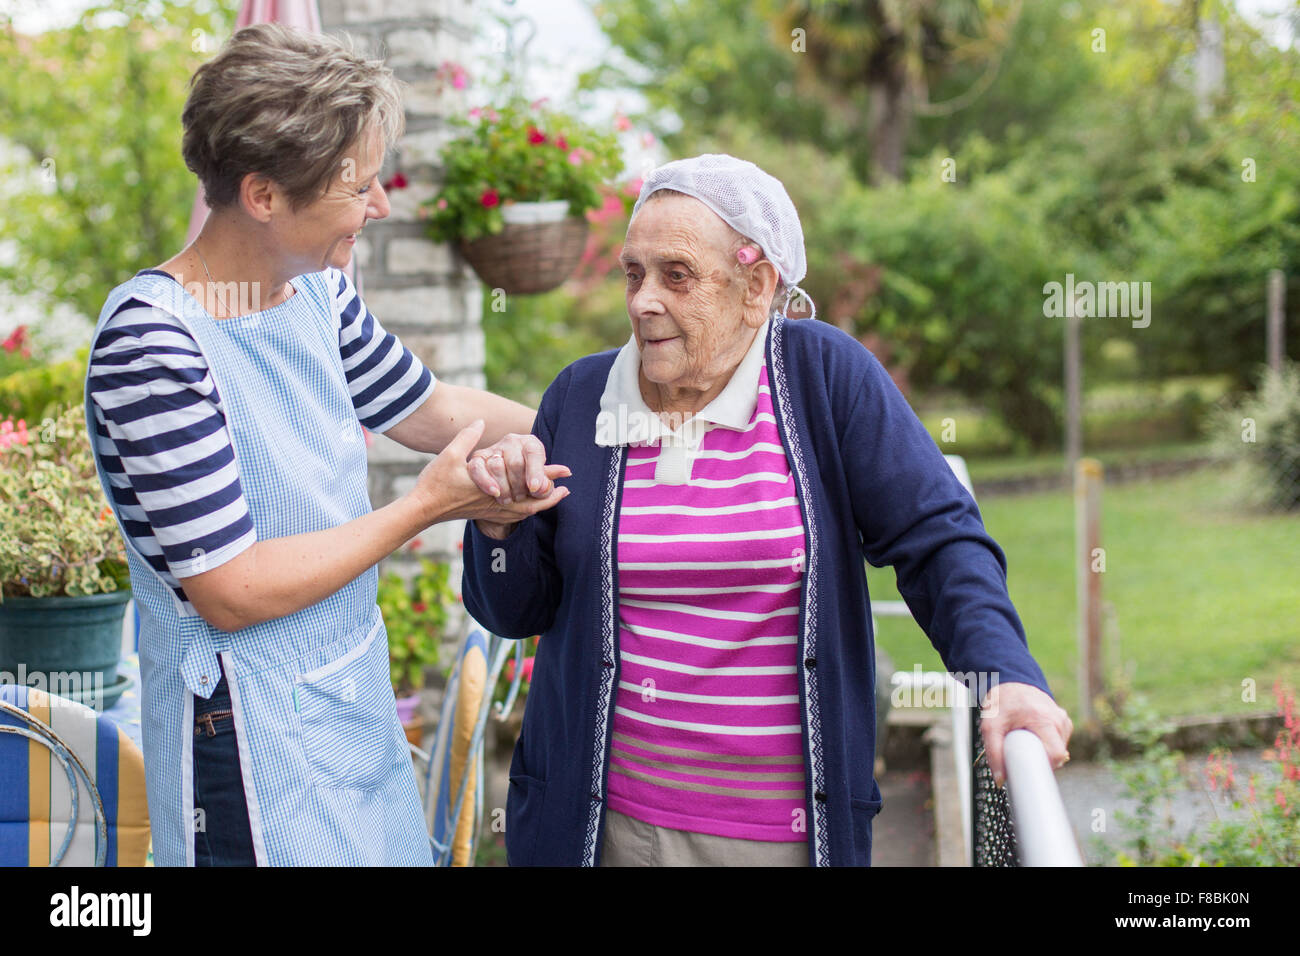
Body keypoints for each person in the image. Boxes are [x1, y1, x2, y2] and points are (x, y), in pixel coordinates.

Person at [461, 153, 1073, 867]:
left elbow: (938, 540)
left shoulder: (823, 378)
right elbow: (517, 612)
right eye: (634, 273)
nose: (642, 301)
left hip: (778, 840)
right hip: (601, 830)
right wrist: (499, 525)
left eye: (676, 275)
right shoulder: (582, 394)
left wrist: (1005, 676)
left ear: (756, 287)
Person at [85, 23, 567, 866]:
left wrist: (609, 428)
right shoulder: (154, 346)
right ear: (264, 194)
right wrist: (425, 507)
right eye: (358, 188)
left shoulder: (316, 294)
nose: (379, 206)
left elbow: (432, 408)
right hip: (238, 741)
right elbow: (232, 588)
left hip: (344, 703)